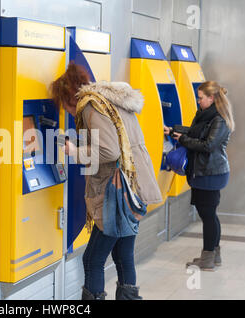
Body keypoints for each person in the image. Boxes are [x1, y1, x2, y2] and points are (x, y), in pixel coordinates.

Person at [50, 63, 162, 300]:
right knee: (123, 255)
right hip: (133, 187)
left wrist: (74, 151)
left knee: (92, 260)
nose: (67, 112)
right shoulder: (110, 102)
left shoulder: (91, 106)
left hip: (117, 194)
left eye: (63, 105)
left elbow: (109, 151)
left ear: (70, 97)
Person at [164, 81, 234, 271]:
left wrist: (184, 140)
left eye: (201, 97)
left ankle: (208, 258)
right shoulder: (206, 115)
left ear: (211, 99)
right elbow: (197, 132)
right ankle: (213, 255)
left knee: (208, 215)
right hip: (205, 171)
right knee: (209, 214)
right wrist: (173, 130)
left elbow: (207, 145)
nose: (198, 100)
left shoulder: (219, 119)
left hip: (211, 173)